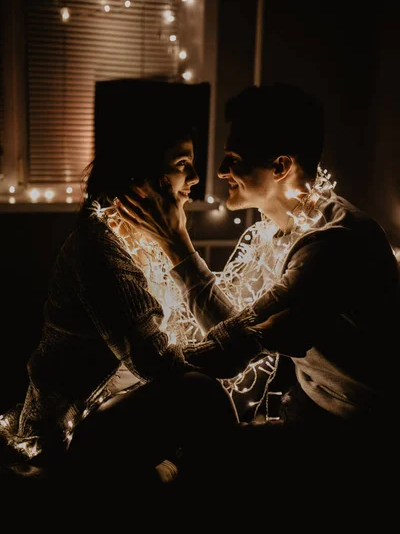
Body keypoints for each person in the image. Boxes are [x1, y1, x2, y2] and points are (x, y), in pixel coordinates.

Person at [116, 82, 400, 497]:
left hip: (356, 432)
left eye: (234, 160)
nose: (218, 172)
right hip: (303, 403)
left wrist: (177, 244)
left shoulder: (333, 244)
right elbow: (229, 322)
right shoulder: (270, 230)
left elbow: (234, 348)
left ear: (281, 166)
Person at [0, 91, 270, 506]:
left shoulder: (151, 235)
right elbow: (155, 360)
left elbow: (182, 334)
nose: (196, 178)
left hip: (118, 406)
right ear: (139, 175)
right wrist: (234, 346)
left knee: (203, 391)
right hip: (68, 430)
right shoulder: (99, 246)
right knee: (199, 392)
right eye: (182, 165)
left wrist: (178, 243)